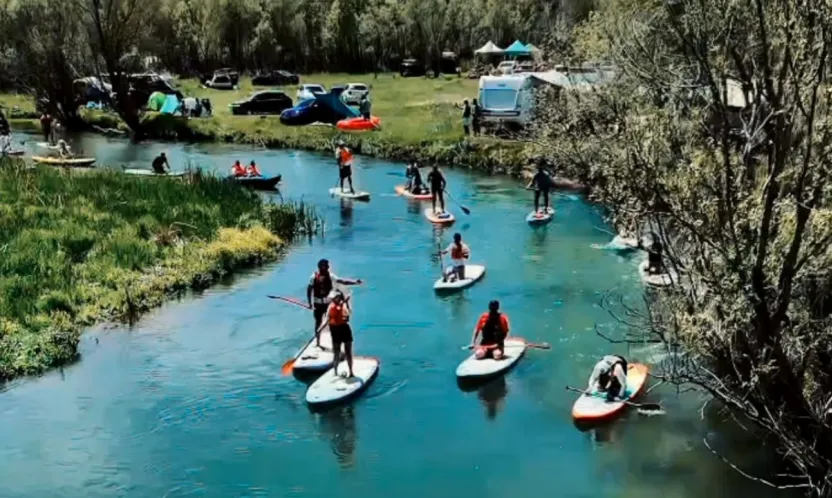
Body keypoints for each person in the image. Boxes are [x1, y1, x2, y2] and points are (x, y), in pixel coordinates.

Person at [306, 259, 362, 349]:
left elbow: (342, 281)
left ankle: (334, 343)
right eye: (325, 266)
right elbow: (309, 290)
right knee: (318, 322)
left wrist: (355, 282)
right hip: (318, 304)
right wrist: (309, 303)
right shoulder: (313, 277)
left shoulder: (331, 276)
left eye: (327, 266)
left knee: (332, 323)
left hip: (328, 304)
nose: (327, 268)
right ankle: (317, 342)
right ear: (320, 267)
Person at [316, 289, 355, 378]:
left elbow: (348, 315)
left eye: (335, 298)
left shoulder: (344, 305)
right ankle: (335, 372)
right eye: (333, 298)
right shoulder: (331, 307)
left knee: (348, 352)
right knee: (336, 352)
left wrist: (346, 304)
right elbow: (326, 319)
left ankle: (351, 372)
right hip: (335, 330)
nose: (333, 299)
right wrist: (320, 329)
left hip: (344, 329)